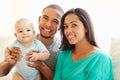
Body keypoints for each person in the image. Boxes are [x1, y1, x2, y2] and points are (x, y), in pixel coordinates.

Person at [3, 4, 64, 80]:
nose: (48, 24)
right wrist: (11, 60)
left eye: (55, 21)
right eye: (45, 18)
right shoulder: (23, 40)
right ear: (39, 19)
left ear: (60, 27)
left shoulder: (63, 51)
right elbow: (1, 72)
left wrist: (41, 66)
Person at [53, 8, 114, 80]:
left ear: (86, 27)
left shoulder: (100, 58)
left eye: (74, 25)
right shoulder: (63, 55)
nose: (68, 31)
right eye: (66, 26)